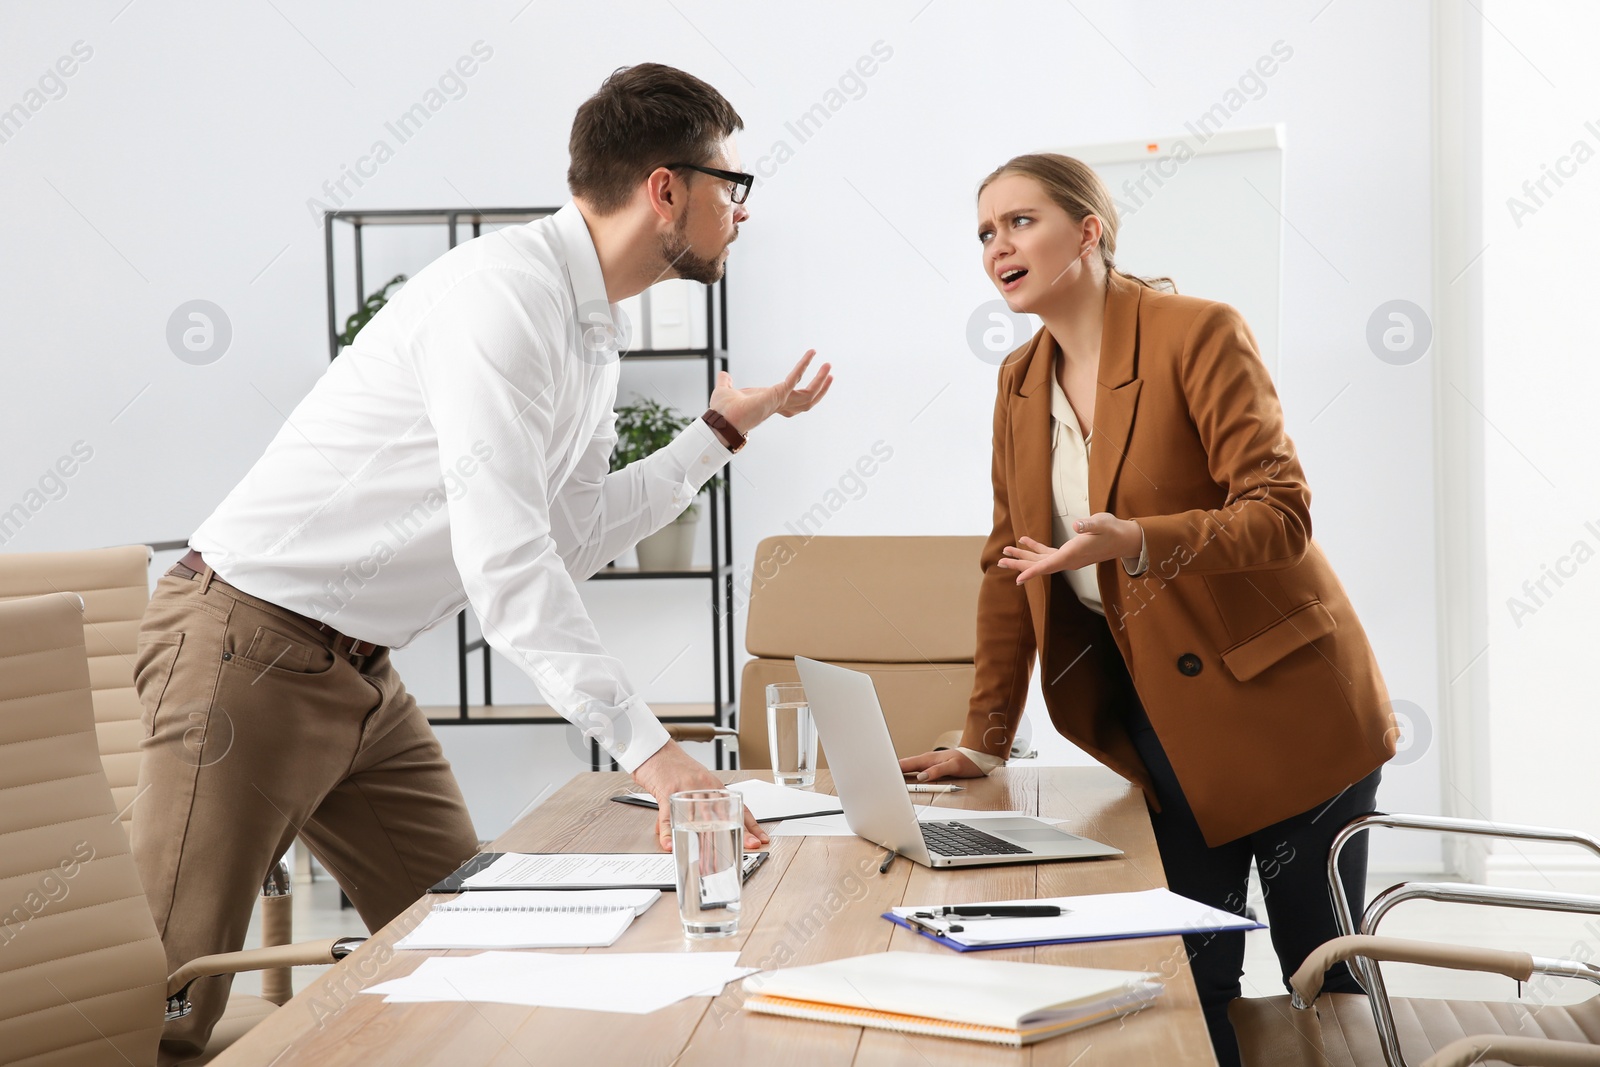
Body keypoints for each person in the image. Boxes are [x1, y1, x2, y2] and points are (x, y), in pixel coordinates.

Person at [130, 63, 831, 1063]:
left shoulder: (591, 327)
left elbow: (571, 535)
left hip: (355, 671)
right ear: (664, 188)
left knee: (477, 942)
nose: (741, 211)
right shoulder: (502, 299)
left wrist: (718, 429)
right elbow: (506, 566)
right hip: (243, 646)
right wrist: (655, 754)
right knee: (160, 1007)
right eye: (732, 185)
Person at [898, 153, 1394, 1066]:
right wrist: (983, 736)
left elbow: (1279, 513)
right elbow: (1013, 565)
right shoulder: (1017, 380)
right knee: (1185, 974)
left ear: (1087, 231)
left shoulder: (1194, 332)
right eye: (983, 231)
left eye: (1019, 222)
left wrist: (1137, 540)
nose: (996, 246)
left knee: (1320, 977)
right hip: (1160, 721)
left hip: (1291, 710)